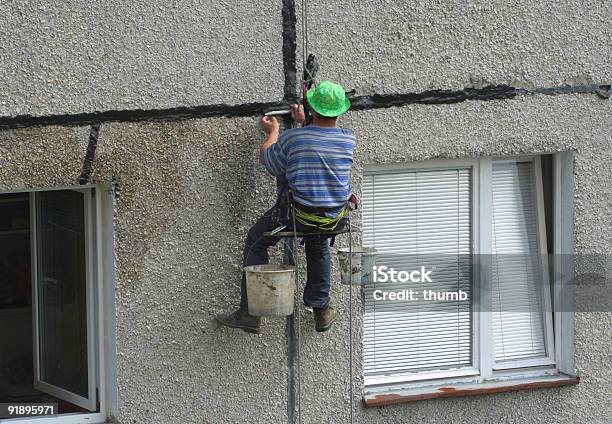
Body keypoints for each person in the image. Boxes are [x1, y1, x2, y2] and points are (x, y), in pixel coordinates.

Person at [216, 81, 357, 334]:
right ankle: (321, 309)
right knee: (318, 243)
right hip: (332, 218)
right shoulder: (348, 139)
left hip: (299, 216)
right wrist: (307, 122)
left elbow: (271, 163)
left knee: (257, 240)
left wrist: (272, 133)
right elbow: (316, 145)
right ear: (339, 111)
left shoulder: (294, 138)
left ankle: (250, 312)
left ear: (312, 108)